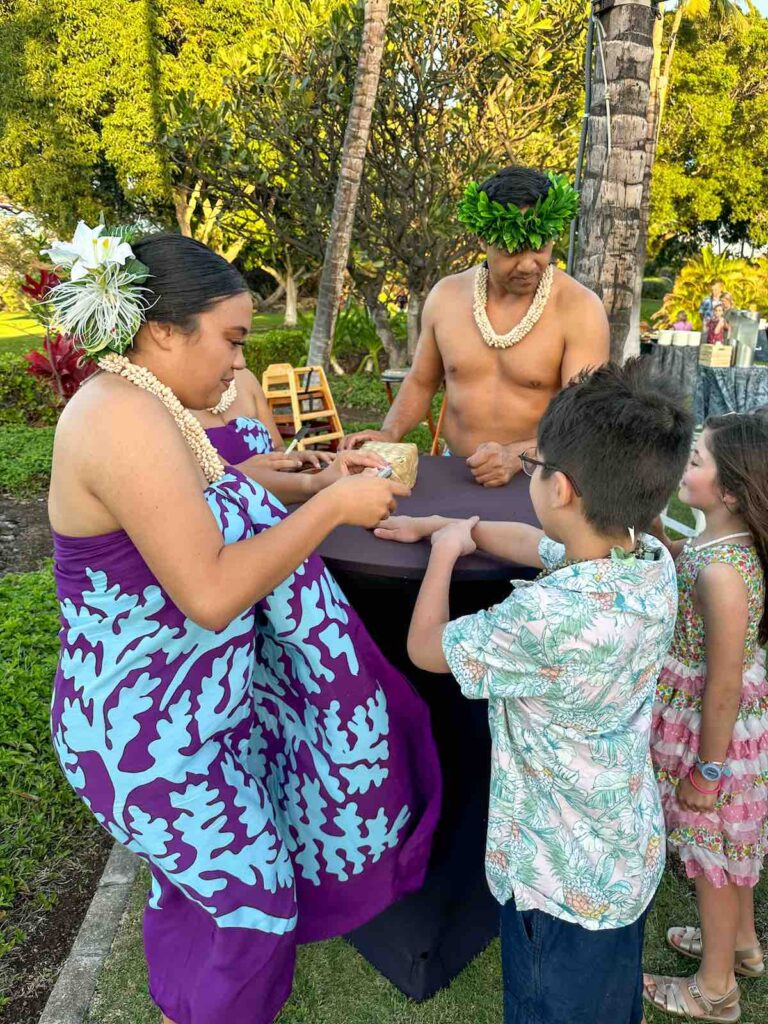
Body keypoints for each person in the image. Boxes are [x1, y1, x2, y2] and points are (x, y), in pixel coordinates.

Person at [45, 227, 441, 1024]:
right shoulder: (118, 418)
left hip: (190, 721)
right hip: (144, 737)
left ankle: (180, 1006)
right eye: (230, 340)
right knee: (255, 906)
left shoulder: (154, 405)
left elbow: (200, 506)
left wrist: (292, 481)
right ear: (162, 330)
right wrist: (333, 505)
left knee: (210, 894)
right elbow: (212, 591)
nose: (237, 365)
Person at [375, 360, 694, 1024]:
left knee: (551, 1004)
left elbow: (427, 649)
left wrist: (440, 559)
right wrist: (450, 526)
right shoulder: (648, 563)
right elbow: (537, 544)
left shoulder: (545, 622)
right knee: (608, 1002)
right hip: (620, 852)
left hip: (555, 878)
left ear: (564, 489)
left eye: (534, 467)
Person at [340, 165, 609, 486]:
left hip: (543, 475)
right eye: (511, 249)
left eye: (539, 246)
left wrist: (517, 457)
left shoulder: (579, 308)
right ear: (483, 238)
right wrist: (389, 431)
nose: (527, 264)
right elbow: (421, 381)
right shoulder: (446, 297)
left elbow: (582, 420)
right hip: (458, 471)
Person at [645, 414, 768, 1022]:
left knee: (712, 853)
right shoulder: (719, 542)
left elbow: (721, 684)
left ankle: (715, 989)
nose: (682, 468)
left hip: (712, 731)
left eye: (694, 461)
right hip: (719, 722)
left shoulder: (724, 573)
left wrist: (708, 771)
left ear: (730, 490)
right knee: (730, 844)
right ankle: (742, 944)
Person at [190, 367, 390, 505]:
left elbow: (276, 447)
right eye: (232, 341)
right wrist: (318, 484)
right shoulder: (165, 411)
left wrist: (291, 458)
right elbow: (215, 482)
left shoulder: (245, 378)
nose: (240, 361)